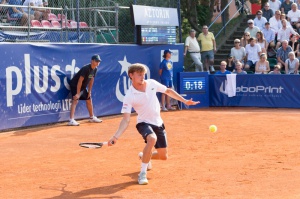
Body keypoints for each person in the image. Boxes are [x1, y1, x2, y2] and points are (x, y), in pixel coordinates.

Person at [107, 63, 200, 185]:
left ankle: (144, 156)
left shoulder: (151, 83)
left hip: (158, 122)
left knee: (163, 156)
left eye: (143, 74)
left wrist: (184, 100)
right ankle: (142, 174)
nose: (142, 77)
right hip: (143, 123)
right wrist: (115, 136)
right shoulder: (129, 96)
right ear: (131, 75)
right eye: (139, 75)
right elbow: (126, 119)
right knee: (152, 139)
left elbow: (168, 91)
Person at [68, 55, 102, 126]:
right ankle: (71, 120)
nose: (98, 63)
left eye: (98, 61)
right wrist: (77, 94)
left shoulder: (95, 69)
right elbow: (80, 81)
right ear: (92, 61)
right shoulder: (86, 68)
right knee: (75, 100)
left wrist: (89, 92)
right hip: (75, 85)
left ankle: (91, 117)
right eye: (96, 61)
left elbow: (91, 80)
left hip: (83, 87)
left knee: (89, 99)